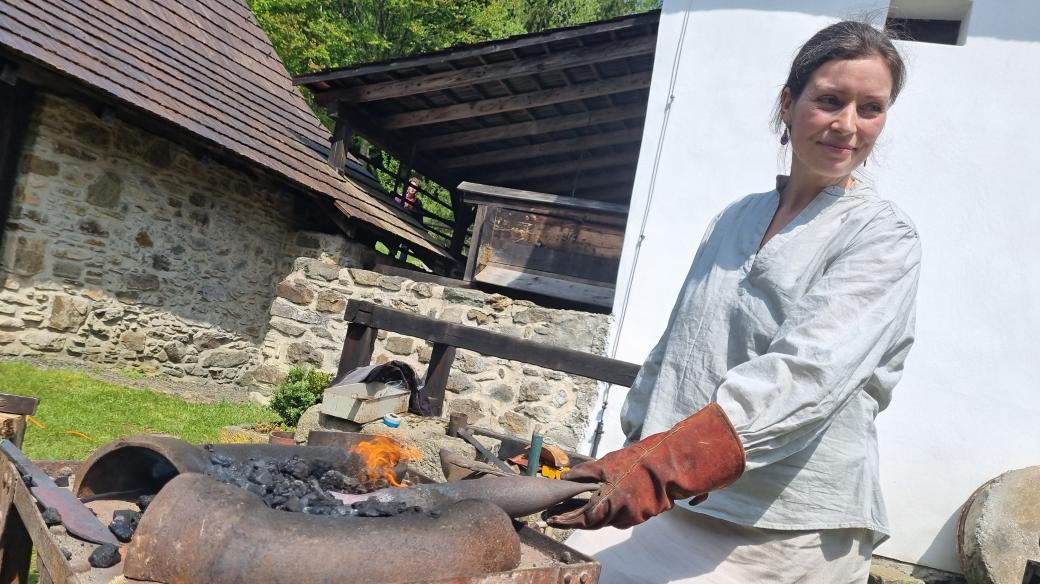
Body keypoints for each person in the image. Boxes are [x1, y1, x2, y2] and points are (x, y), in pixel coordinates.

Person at [548, 21, 920, 584]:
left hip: (784, 531)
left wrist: (659, 469)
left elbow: (805, 378)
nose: (848, 125)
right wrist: (631, 452)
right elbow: (678, 347)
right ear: (788, 102)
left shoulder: (882, 237)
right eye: (829, 100)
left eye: (871, 108)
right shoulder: (734, 218)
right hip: (676, 508)